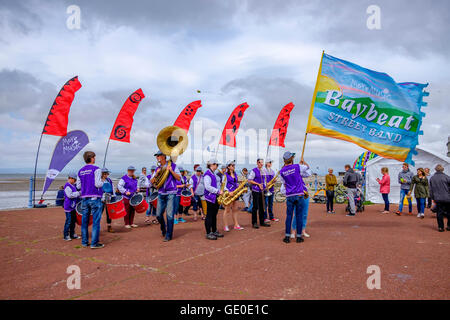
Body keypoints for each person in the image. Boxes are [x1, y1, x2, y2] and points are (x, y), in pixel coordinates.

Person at [76, 151, 106, 249]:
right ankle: (94, 243)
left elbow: (78, 186)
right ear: (92, 158)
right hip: (94, 198)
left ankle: (84, 242)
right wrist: (103, 181)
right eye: (94, 157)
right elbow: (97, 184)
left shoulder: (80, 171)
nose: (95, 158)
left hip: (84, 198)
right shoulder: (96, 169)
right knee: (96, 222)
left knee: (84, 222)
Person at [150, 150, 181, 242]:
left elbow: (179, 178)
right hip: (161, 193)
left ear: (164, 156)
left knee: (169, 215)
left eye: (158, 155)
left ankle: (169, 235)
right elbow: (151, 182)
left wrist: (171, 170)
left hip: (171, 193)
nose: (157, 157)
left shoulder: (173, 166)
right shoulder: (157, 168)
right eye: (157, 156)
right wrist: (157, 174)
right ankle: (164, 228)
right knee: (159, 215)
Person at [279, 151, 307, 243]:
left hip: (290, 195)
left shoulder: (282, 171)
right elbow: (307, 168)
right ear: (292, 159)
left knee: (289, 216)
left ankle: (287, 236)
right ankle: (299, 237)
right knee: (299, 216)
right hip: (299, 194)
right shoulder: (297, 166)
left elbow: (284, 183)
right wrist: (303, 162)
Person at [203, 159, 224, 240]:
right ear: (212, 165)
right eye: (216, 165)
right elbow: (207, 187)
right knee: (209, 215)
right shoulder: (207, 174)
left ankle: (214, 230)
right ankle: (208, 232)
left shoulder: (213, 174)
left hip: (214, 197)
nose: (217, 166)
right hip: (210, 197)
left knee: (214, 215)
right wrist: (218, 191)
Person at [248, 159, 271, 229]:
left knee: (262, 206)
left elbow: (264, 180)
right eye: (260, 162)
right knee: (255, 207)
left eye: (262, 163)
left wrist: (265, 186)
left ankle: (262, 221)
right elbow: (249, 180)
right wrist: (258, 184)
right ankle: (254, 222)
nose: (262, 164)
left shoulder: (263, 170)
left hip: (262, 191)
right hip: (255, 190)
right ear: (257, 163)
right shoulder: (254, 170)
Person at [222, 160, 244, 232]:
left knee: (235, 209)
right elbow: (223, 186)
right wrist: (228, 192)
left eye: (234, 165)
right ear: (228, 167)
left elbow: (235, 183)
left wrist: (239, 186)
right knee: (227, 210)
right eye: (232, 165)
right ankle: (225, 226)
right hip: (229, 194)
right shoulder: (225, 175)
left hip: (235, 193)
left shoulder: (235, 173)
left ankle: (236, 224)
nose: (233, 166)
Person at [429, 164, 450, 232]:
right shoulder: (447, 177)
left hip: (437, 198)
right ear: (442, 170)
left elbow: (431, 189)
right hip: (447, 197)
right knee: (449, 212)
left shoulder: (432, 178)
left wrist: (432, 198)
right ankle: (449, 226)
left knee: (439, 212)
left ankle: (441, 227)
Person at [63, 172, 80, 241]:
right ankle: (66, 235)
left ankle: (72, 234)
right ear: (70, 178)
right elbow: (70, 195)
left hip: (73, 206)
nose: (75, 181)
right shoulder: (67, 186)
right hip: (68, 207)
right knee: (68, 221)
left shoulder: (73, 185)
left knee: (73, 221)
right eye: (74, 180)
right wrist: (78, 193)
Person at [100, 168, 115, 232]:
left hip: (109, 197)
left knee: (109, 212)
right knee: (99, 212)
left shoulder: (109, 180)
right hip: (101, 198)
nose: (106, 175)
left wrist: (114, 195)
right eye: (105, 174)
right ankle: (97, 226)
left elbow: (113, 188)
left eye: (107, 174)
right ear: (102, 174)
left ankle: (109, 226)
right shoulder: (99, 181)